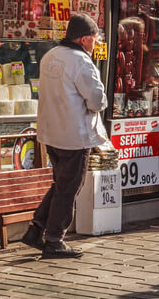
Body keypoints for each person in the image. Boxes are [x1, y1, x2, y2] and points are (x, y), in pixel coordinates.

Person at [23, 13, 107, 259]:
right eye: (94, 38)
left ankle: (36, 229)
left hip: (51, 132)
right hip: (74, 134)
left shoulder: (50, 55)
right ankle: (54, 240)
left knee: (61, 184)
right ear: (83, 39)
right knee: (69, 188)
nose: (96, 43)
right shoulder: (81, 62)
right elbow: (97, 100)